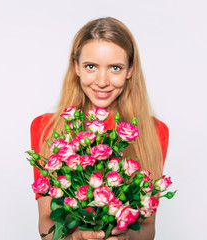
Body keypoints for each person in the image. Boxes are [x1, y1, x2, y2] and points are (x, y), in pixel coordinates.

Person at [30, 17, 169, 240]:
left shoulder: (154, 131)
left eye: (115, 67)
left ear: (130, 70)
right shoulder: (46, 128)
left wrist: (125, 237)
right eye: (91, 66)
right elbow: (46, 222)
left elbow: (148, 225)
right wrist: (76, 238)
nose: (102, 81)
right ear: (76, 67)